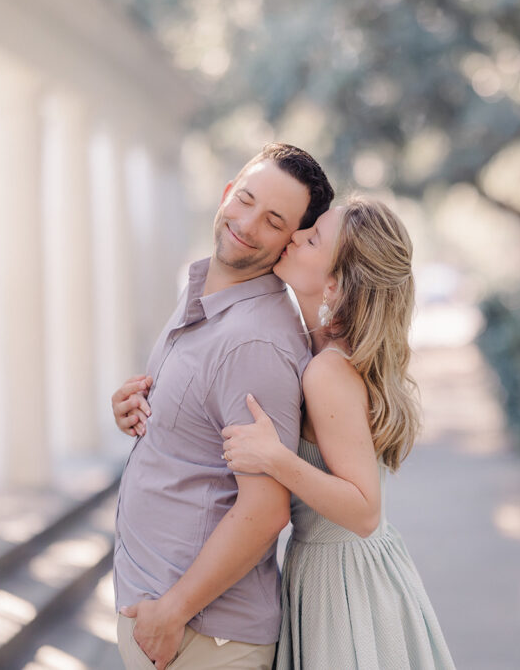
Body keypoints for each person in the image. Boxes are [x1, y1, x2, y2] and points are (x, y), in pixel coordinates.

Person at [109, 142, 333, 670]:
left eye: (274, 220)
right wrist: (140, 410)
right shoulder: (203, 293)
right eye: (247, 199)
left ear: (289, 242)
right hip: (167, 620)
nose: (247, 224)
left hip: (202, 636)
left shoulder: (256, 342)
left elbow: (265, 507)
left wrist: (172, 613)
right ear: (229, 191)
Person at [220, 196, 456, 669]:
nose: (294, 237)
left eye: (312, 239)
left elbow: (365, 511)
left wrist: (274, 458)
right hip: (350, 571)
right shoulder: (330, 357)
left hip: (344, 583)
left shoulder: (328, 371)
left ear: (334, 283)